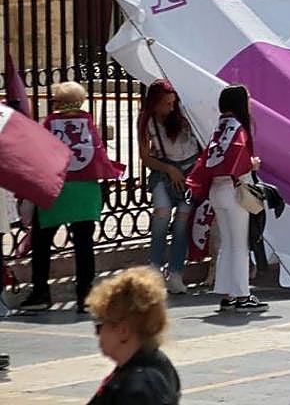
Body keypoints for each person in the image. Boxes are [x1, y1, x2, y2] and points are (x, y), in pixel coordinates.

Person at [22, 81, 124, 313]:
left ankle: (41, 292)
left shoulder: (51, 122)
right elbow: (98, 154)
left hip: (58, 189)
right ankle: (85, 296)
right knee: (84, 245)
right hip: (85, 190)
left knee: (41, 242)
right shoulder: (88, 122)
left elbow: (41, 153)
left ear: (59, 102)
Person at [186, 84, 267, 314]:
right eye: (248, 98)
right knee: (240, 245)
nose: (250, 102)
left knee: (228, 244)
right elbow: (236, 158)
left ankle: (228, 294)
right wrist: (251, 164)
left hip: (217, 190)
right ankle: (243, 295)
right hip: (234, 190)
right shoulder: (238, 127)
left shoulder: (220, 126)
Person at [137, 79, 200, 295]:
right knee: (161, 217)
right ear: (154, 103)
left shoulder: (183, 114)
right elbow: (145, 156)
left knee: (182, 223)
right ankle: (154, 270)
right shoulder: (146, 120)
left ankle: (176, 273)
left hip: (190, 171)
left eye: (173, 103)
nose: (170, 108)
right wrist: (169, 169)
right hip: (164, 171)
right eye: (166, 103)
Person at [85, 266, 180, 404]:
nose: (97, 334)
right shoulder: (154, 362)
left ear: (124, 331)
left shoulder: (139, 389)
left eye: (100, 325)